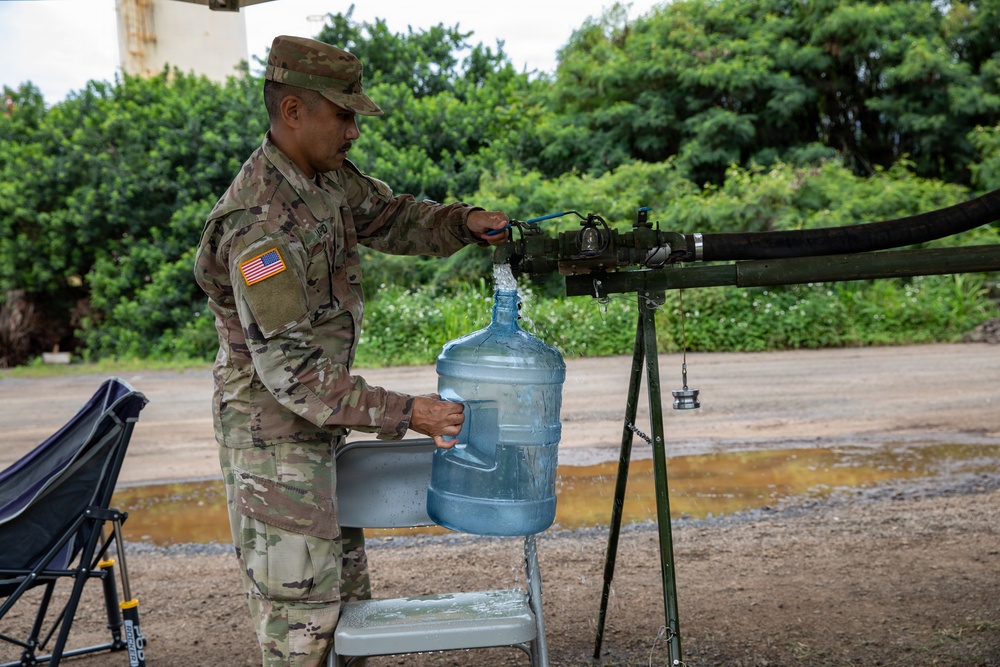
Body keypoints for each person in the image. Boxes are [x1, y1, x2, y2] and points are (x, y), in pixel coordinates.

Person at [193, 35, 510, 667]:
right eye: (344, 114)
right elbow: (296, 377)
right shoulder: (260, 227)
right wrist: (408, 413)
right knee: (303, 629)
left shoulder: (324, 180)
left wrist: (461, 221)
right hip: (275, 446)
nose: (355, 130)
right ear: (293, 112)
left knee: (345, 613)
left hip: (319, 435)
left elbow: (389, 216)